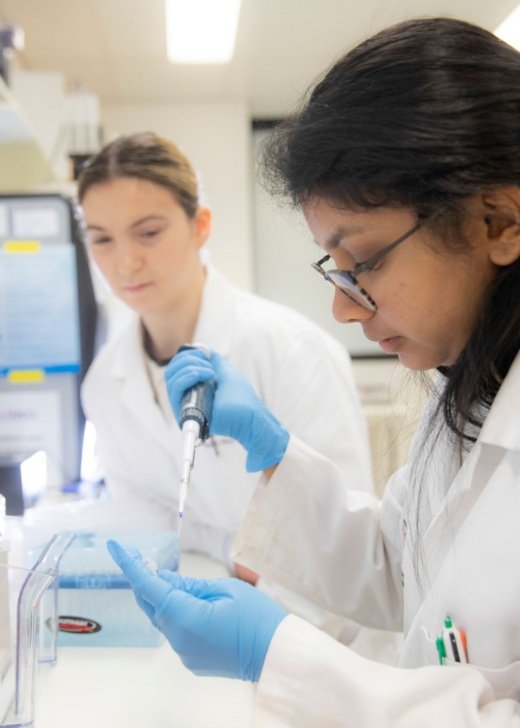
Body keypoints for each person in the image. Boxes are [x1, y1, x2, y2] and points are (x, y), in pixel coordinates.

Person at [108, 17, 520, 726]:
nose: (342, 307)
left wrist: (279, 657)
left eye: (364, 264)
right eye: (337, 268)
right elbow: (402, 564)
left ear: (499, 222)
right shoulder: (467, 389)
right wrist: (277, 456)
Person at [77, 131, 376, 637]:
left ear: (201, 226)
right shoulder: (105, 381)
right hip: (199, 618)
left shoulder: (290, 350)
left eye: (148, 232)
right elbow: (147, 518)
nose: (124, 262)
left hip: (320, 635)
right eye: (102, 239)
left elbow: (351, 535)